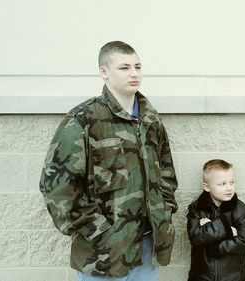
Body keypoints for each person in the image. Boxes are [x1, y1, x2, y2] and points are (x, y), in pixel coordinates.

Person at [39, 41, 178, 281]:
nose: (134, 73)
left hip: (148, 245)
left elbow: (166, 173)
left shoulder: (150, 119)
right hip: (103, 254)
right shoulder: (84, 119)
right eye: (124, 67)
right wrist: (100, 232)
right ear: (104, 72)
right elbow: (57, 187)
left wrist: (164, 213)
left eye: (137, 66)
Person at [186, 159, 245, 281]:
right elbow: (195, 238)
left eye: (232, 182)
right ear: (207, 187)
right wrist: (227, 230)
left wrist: (211, 237)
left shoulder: (241, 210)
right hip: (201, 277)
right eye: (222, 184)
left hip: (234, 277)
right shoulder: (196, 209)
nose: (229, 188)